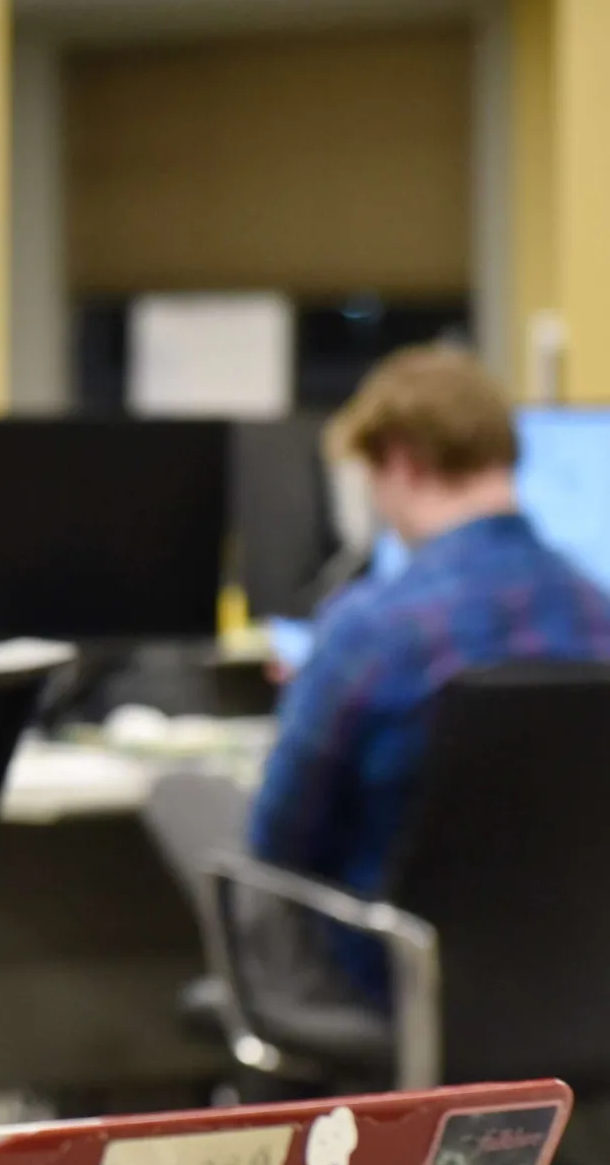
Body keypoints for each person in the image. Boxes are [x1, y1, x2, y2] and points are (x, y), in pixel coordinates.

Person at [250, 345, 610, 1000]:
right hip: (581, 985)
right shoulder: (598, 614)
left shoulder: (370, 631)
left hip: (404, 980)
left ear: (400, 461)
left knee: (186, 800)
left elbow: (280, 842)